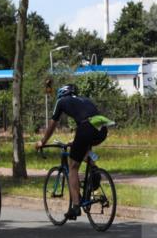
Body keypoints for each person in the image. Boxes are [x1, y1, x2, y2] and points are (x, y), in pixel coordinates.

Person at [35, 84, 113, 221]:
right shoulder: (84, 100)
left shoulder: (61, 101)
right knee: (84, 149)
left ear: (61, 94)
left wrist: (42, 141)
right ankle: (94, 172)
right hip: (102, 128)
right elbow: (87, 120)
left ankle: (76, 206)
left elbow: (53, 124)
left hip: (86, 128)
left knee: (72, 166)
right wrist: (76, 141)